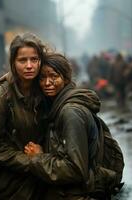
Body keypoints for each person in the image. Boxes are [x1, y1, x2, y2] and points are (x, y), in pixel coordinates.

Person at [24, 53, 101, 199]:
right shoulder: (57, 107)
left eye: (53, 76)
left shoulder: (70, 112)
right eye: (42, 78)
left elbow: (76, 170)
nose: (47, 83)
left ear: (65, 78)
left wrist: (38, 158)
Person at [0, 33, 49, 200]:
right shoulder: (1, 98)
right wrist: (31, 161)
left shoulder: (44, 88)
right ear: (13, 63)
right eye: (22, 60)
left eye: (34, 59)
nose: (29, 66)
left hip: (41, 177)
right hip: (11, 184)